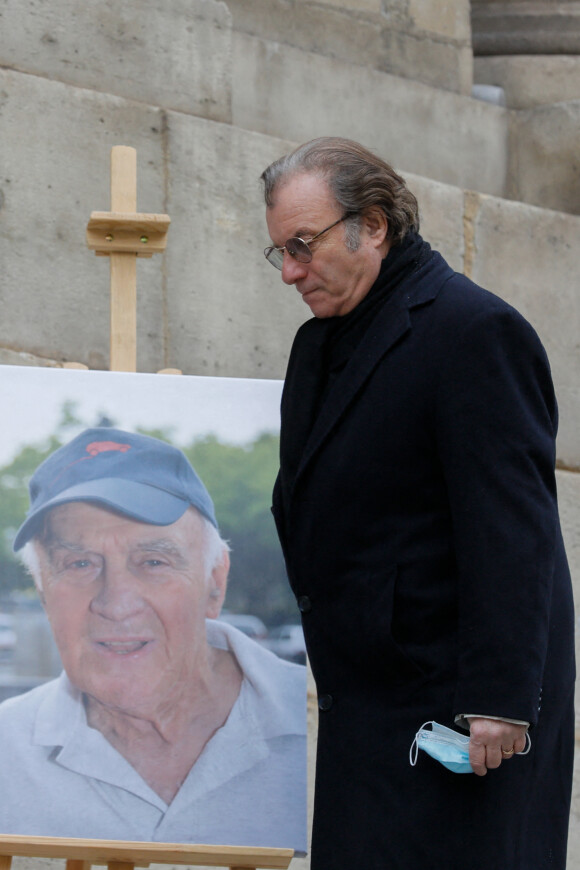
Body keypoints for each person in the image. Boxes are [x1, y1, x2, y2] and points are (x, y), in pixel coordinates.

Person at [261, 137, 575, 869]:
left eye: (302, 246)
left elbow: (514, 530)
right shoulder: (320, 347)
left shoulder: (473, 331)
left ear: (372, 225)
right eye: (279, 252)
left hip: (461, 718)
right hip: (369, 705)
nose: (291, 273)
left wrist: (498, 699)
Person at [0, 427, 306, 850]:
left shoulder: (328, 728)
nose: (116, 604)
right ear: (43, 593)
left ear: (214, 583)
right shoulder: (5, 750)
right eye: (80, 563)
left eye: (153, 561)